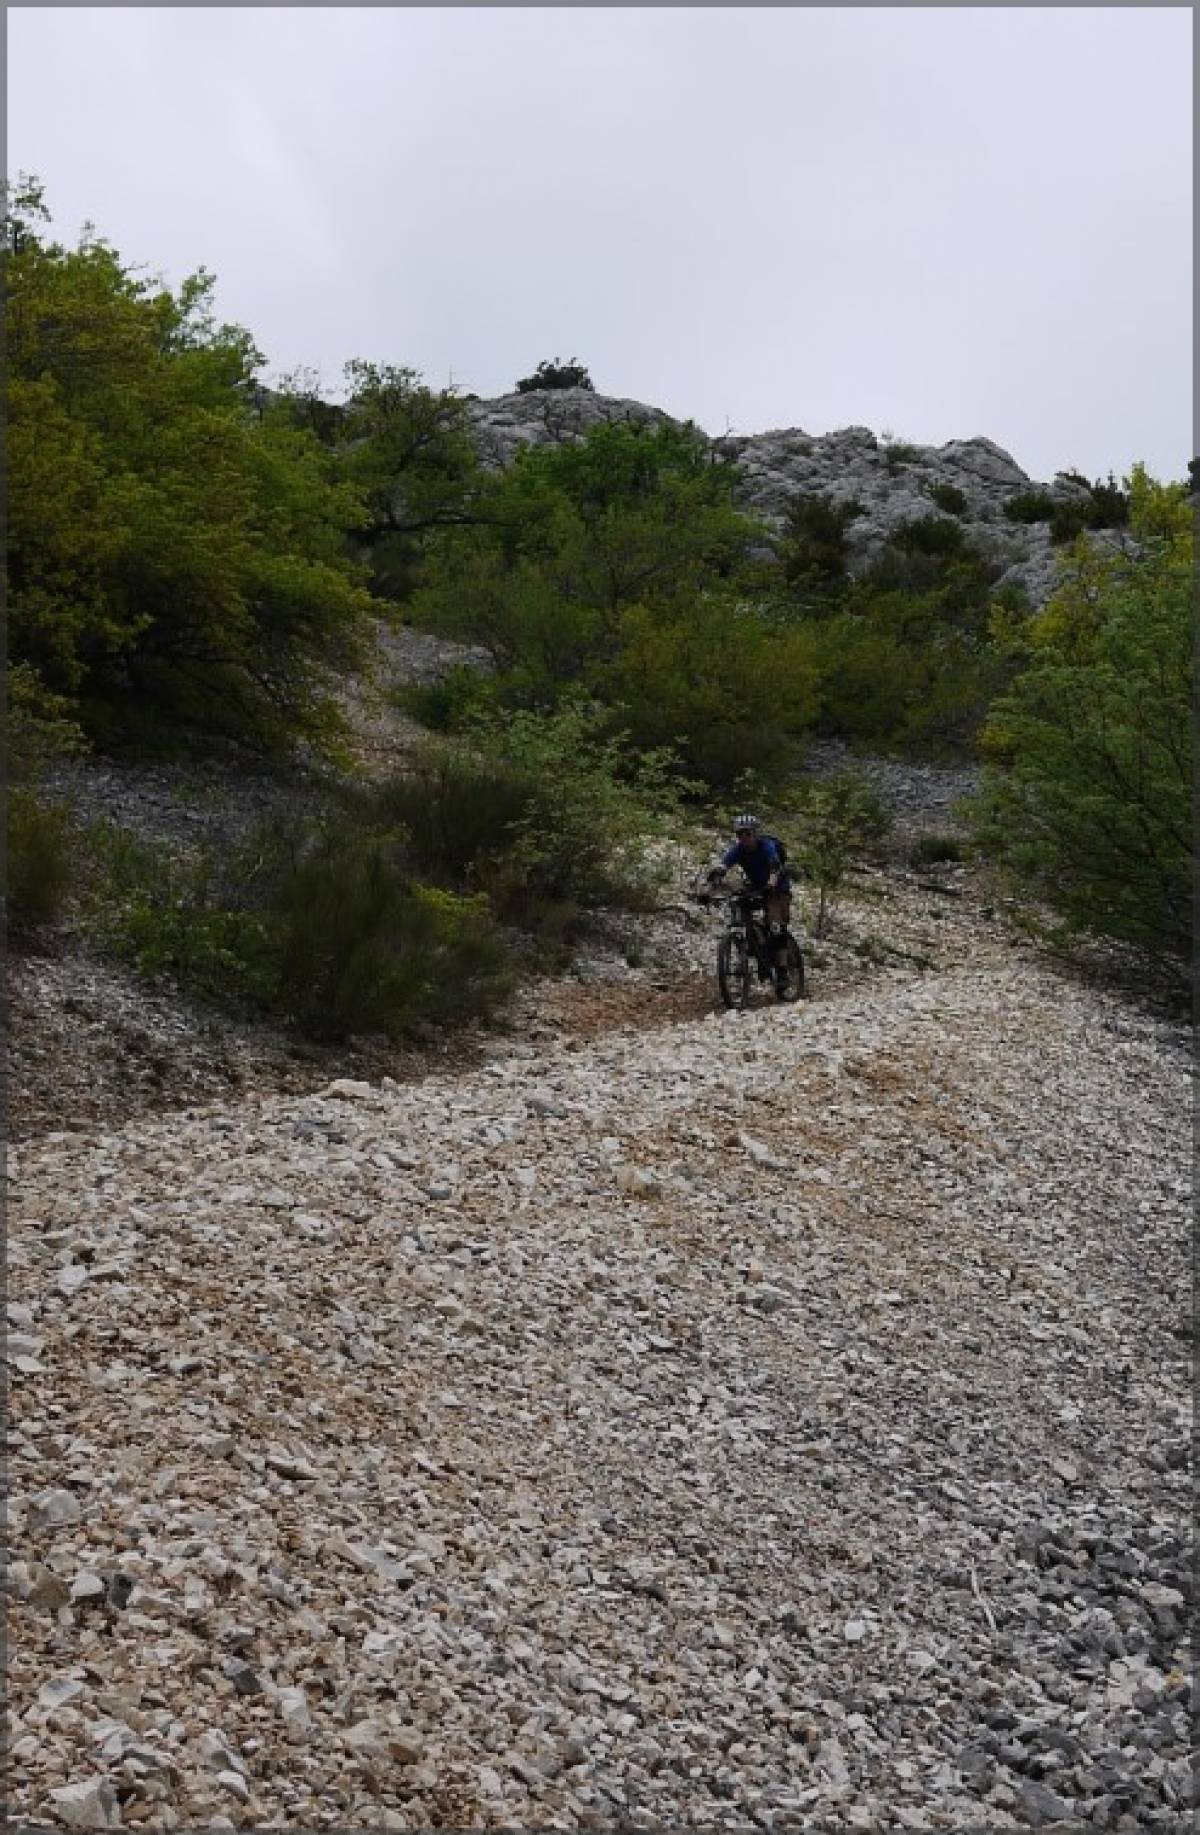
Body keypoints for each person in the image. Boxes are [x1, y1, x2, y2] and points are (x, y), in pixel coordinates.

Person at [707, 813, 794, 993]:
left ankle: (783, 971)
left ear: (755, 833)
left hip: (777, 888)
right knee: (741, 908)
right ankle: (755, 947)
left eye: (748, 833)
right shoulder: (738, 850)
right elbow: (724, 864)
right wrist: (715, 878)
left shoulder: (767, 846)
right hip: (756, 886)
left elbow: (775, 866)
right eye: (740, 834)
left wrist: (771, 883)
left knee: (776, 926)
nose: (744, 838)